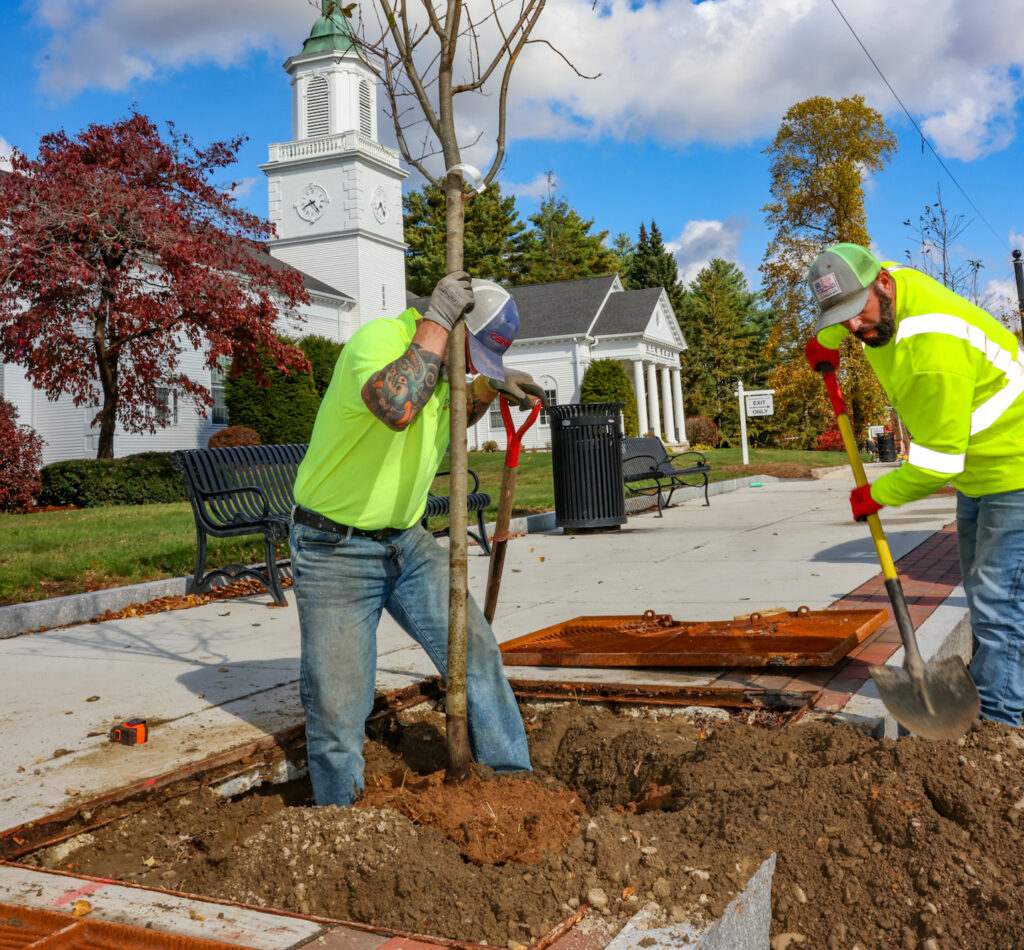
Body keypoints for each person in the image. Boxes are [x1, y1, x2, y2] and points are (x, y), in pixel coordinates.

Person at [290, 271, 546, 805]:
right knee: (339, 707)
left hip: (405, 542)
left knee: (475, 652)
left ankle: (513, 786)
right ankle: (344, 822)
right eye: (471, 353)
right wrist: (437, 318)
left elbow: (444, 412)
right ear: (446, 326)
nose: (472, 365)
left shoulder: (447, 365)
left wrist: (482, 388)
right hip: (334, 548)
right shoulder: (379, 341)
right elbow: (397, 406)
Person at [806, 243, 1024, 726]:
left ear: (882, 286)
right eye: (840, 319)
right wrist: (829, 340)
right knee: (988, 591)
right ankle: (1000, 698)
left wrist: (875, 496)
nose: (854, 329)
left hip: (1014, 469)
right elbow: (856, 307)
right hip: (982, 469)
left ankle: (1003, 723)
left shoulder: (931, 353)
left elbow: (939, 463)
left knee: (999, 601)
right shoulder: (889, 287)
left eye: (856, 315)